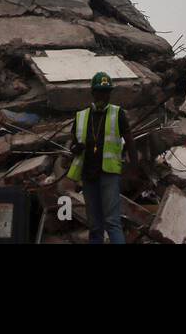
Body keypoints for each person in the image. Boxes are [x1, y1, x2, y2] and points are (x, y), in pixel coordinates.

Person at [67, 72, 130, 244]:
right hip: (89, 175)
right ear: (93, 93)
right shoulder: (80, 116)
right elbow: (72, 147)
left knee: (112, 222)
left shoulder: (118, 114)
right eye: (100, 92)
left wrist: (134, 168)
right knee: (94, 225)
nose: (104, 96)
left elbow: (130, 142)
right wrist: (76, 148)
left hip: (109, 174)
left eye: (107, 92)